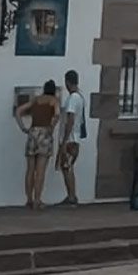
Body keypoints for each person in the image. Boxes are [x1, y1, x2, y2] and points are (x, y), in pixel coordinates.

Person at [15, 80, 60, 209]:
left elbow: (19, 111)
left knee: (30, 169)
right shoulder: (54, 101)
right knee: (40, 171)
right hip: (45, 134)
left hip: (33, 132)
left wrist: (23, 127)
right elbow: (56, 114)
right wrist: (51, 126)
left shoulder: (36, 100)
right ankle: (37, 200)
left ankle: (28, 199)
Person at [57, 69, 87, 206]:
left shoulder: (73, 99)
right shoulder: (80, 97)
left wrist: (64, 141)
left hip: (70, 140)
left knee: (66, 166)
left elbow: (70, 119)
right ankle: (71, 195)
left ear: (68, 82)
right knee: (68, 167)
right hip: (74, 139)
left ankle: (71, 196)